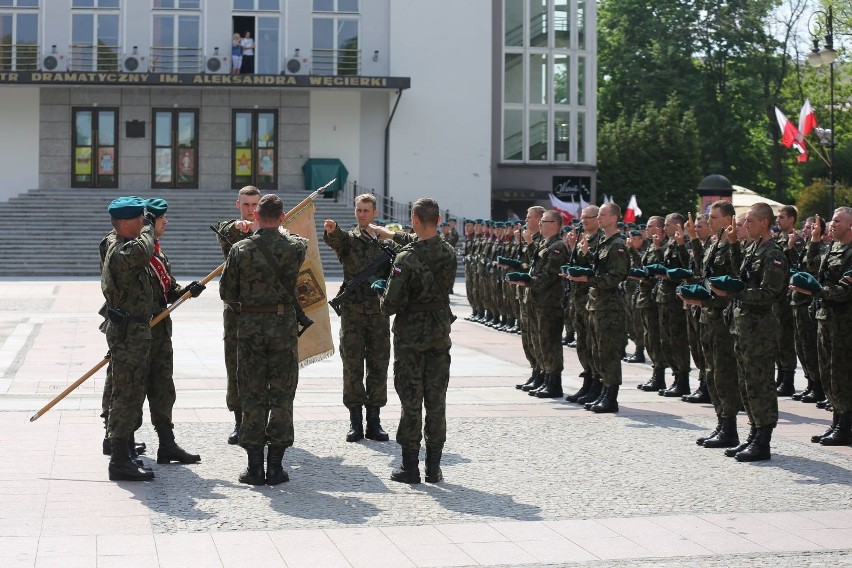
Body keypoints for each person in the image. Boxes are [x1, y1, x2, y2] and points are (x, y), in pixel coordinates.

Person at [219, 194, 307, 485]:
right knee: (282, 395)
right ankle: (277, 467)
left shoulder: (240, 249)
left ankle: (254, 467)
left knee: (253, 393)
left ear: (255, 215)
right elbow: (296, 240)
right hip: (282, 327)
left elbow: (226, 293)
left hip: (251, 329)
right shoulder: (295, 247)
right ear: (282, 217)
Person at [375, 198, 457, 484]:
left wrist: (380, 291)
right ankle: (434, 468)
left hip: (411, 338)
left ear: (416, 220)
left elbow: (390, 305)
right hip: (438, 334)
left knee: (411, 402)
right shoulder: (449, 252)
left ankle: (409, 467)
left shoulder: (405, 258)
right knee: (436, 401)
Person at [710, 203, 787, 462]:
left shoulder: (773, 254)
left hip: (760, 330)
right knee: (746, 383)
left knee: (761, 383)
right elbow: (740, 274)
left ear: (764, 223)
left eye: (751, 221)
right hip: (743, 327)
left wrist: (734, 292)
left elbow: (768, 294)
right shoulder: (753, 248)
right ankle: (753, 434)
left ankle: (763, 440)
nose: (746, 226)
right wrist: (733, 246)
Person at [323, 194, 392, 443]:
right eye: (358, 210)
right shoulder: (349, 240)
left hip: (378, 314)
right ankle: (355, 422)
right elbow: (337, 240)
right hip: (352, 313)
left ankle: (374, 420)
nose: (361, 214)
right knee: (352, 366)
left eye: (365, 210)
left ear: (375, 212)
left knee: (378, 365)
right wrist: (332, 230)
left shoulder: (386, 243)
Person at [143, 198, 204, 466]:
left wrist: (186, 291)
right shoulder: (135, 251)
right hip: (137, 331)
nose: (166, 222)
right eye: (161, 218)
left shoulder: (158, 253)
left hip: (160, 332)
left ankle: (167, 444)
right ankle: (118, 443)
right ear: (149, 220)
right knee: (130, 389)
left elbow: (168, 291)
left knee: (163, 388)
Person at [100, 196, 156, 482]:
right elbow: (144, 249)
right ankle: (120, 460)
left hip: (133, 329)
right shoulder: (123, 251)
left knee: (130, 391)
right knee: (126, 394)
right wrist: (150, 229)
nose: (143, 224)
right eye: (139, 219)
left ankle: (123, 452)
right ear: (124, 222)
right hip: (129, 332)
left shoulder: (115, 242)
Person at [567, 203, 629, 413]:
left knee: (608, 351)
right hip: (595, 304)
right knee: (596, 350)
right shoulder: (603, 242)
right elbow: (595, 268)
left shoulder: (617, 244)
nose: (598, 217)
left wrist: (589, 279)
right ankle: (602, 391)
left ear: (613, 218)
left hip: (609, 306)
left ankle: (611, 397)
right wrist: (583, 260)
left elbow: (616, 276)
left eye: (602, 214)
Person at [799, 208, 852, 445]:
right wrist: (814, 240)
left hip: (843, 323)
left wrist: (816, 291)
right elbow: (811, 267)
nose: (832, 224)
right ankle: (836, 422)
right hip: (825, 319)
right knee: (828, 373)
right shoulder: (832, 248)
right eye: (832, 220)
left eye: (838, 221)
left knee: (842, 374)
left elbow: (844, 291)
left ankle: (845, 426)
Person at [214, 186, 261, 445]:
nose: (251, 210)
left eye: (256, 204)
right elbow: (226, 230)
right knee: (235, 366)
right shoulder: (230, 229)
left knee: (263, 369)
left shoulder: (272, 231)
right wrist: (240, 227)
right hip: (236, 313)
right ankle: (239, 421)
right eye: (246, 205)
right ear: (238, 205)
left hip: (264, 314)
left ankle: (261, 421)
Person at [514, 210, 568, 398]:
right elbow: (533, 266)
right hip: (538, 300)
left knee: (549, 342)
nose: (540, 224)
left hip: (549, 302)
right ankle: (544, 378)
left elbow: (549, 275)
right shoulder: (545, 244)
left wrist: (527, 281)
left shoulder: (558, 246)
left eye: (544, 221)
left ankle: (554, 383)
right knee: (539, 341)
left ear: (554, 224)